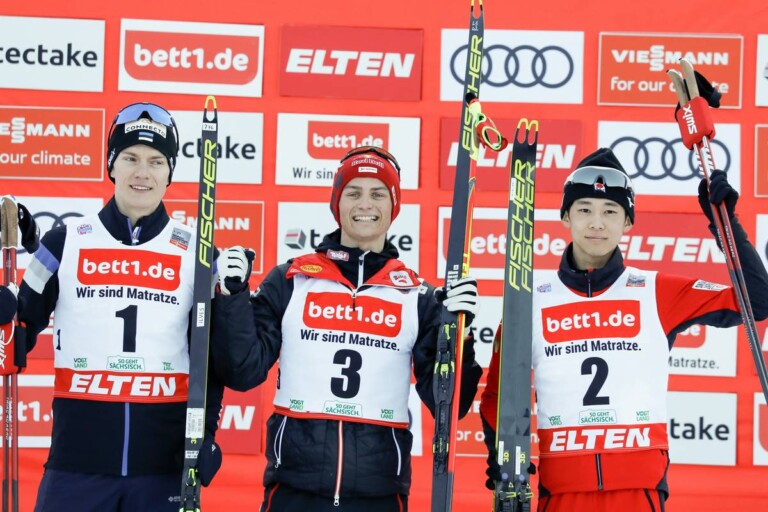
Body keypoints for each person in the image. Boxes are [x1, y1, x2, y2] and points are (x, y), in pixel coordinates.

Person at [480, 147, 768, 511]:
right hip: (562, 491)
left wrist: (727, 226)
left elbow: (757, 301)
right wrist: (503, 459)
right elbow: (496, 396)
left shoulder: (656, 290)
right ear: (566, 216)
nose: (597, 223)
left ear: (628, 222)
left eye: (610, 211)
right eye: (584, 210)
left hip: (639, 490)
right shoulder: (529, 299)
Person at [212, 145, 483, 511]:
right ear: (337, 204)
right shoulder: (291, 279)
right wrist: (231, 296)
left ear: (394, 205)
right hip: (295, 489)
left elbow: (451, 403)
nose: (365, 205)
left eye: (377, 194)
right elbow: (241, 371)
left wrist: (459, 332)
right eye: (353, 193)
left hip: (378, 494)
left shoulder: (416, 296)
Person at [3, 103, 229, 512]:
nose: (142, 172)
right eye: (130, 158)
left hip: (162, 469)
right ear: (112, 165)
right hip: (76, 467)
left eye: (156, 161)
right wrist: (4, 318)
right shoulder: (64, 242)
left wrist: (206, 434)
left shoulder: (197, 253)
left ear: (169, 172)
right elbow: (15, 340)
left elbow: (213, 358)